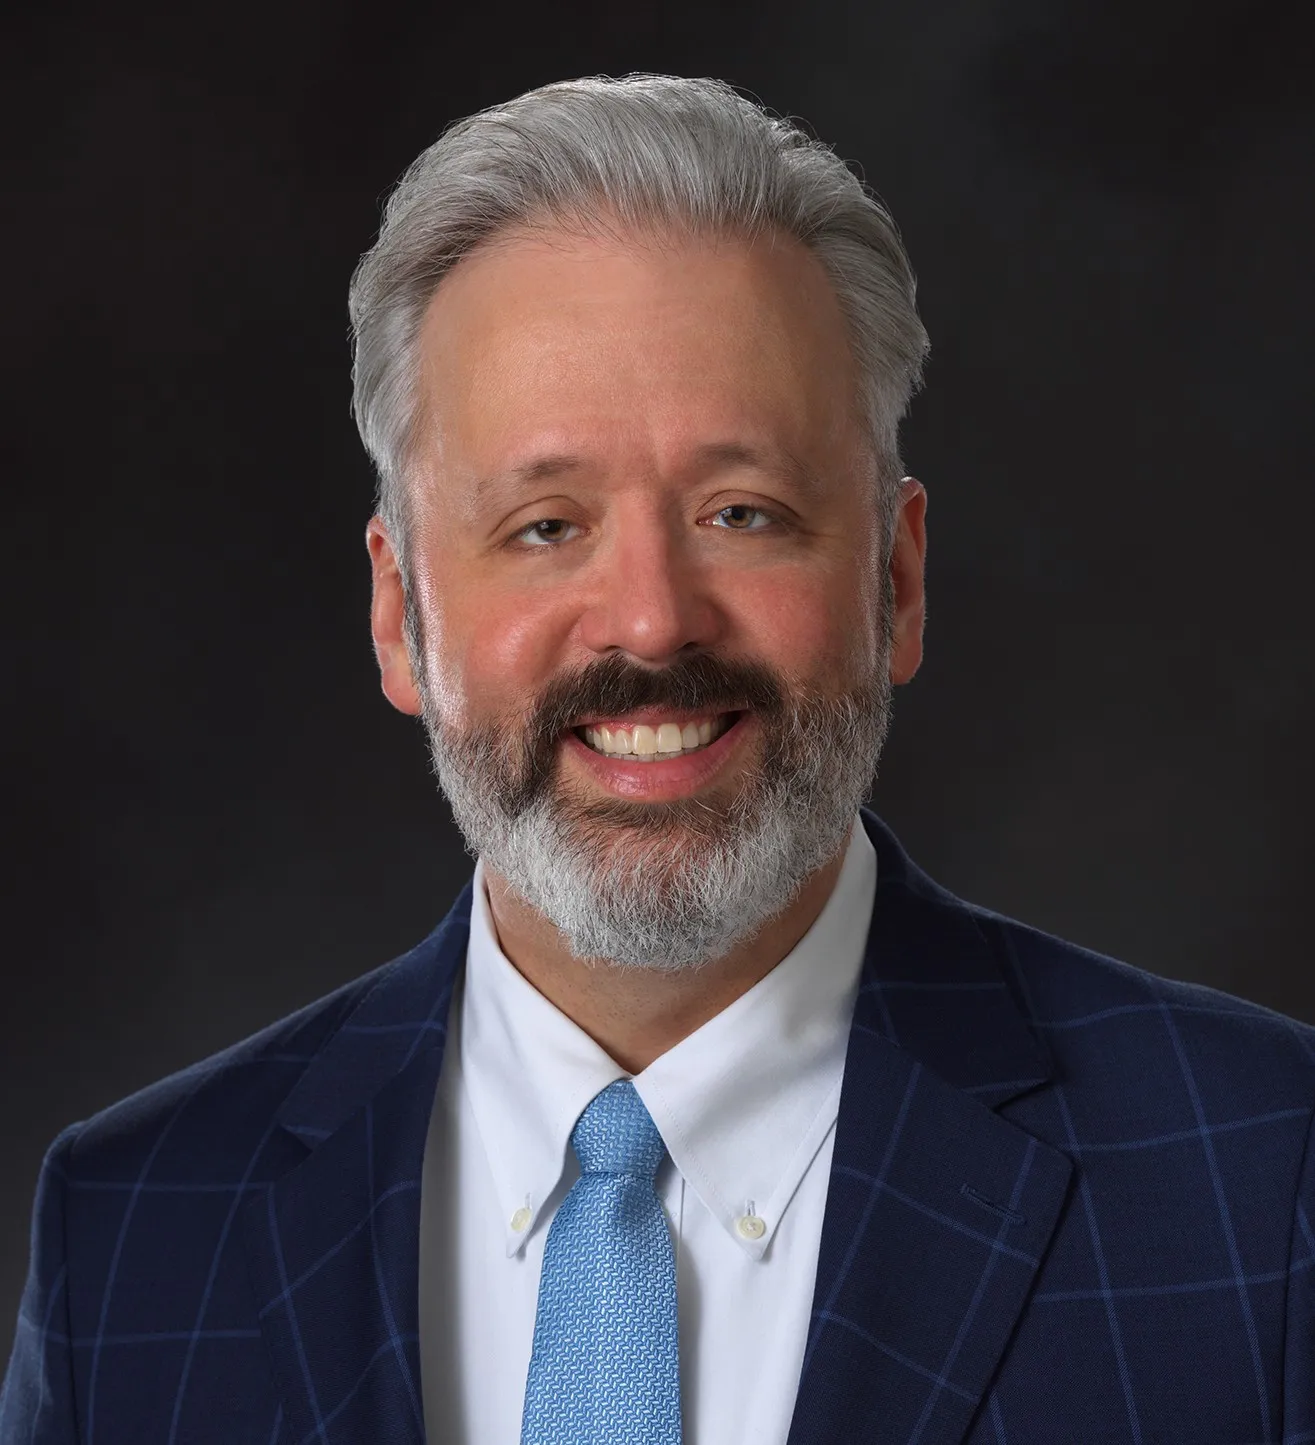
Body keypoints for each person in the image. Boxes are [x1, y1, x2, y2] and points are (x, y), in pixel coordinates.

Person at [2, 72, 1312, 1445]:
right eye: (543, 526)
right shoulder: (135, 1232)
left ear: (897, 580)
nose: (649, 619)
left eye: (742, 512)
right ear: (399, 616)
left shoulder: (1260, 1182)